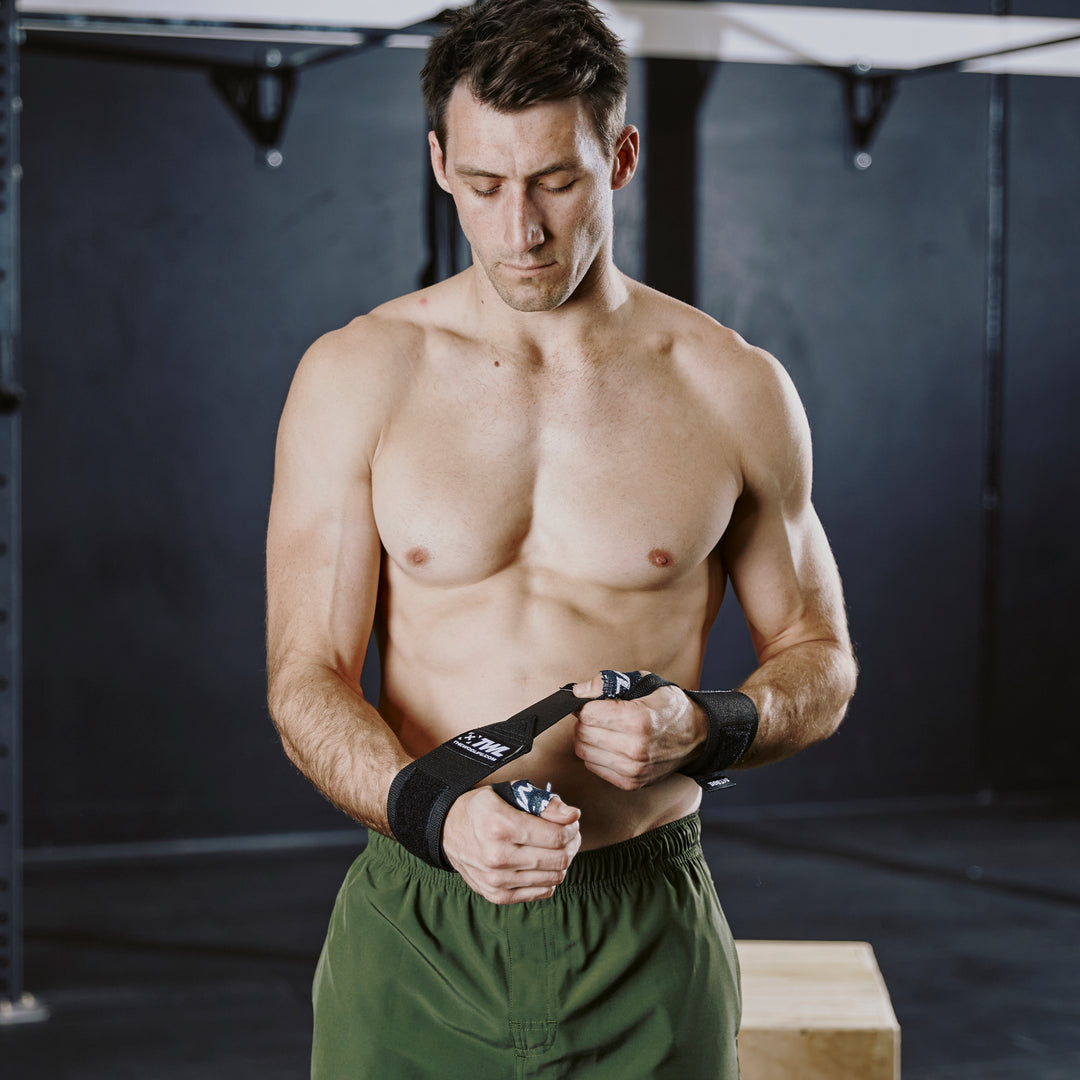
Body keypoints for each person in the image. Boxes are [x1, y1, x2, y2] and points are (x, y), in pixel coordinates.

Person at [265, 0, 857, 1075]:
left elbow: (821, 661)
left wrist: (709, 725)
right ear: (440, 165)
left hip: (643, 919)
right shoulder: (357, 376)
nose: (520, 230)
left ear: (619, 158)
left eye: (556, 181)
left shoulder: (732, 387)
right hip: (419, 911)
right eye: (485, 185)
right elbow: (305, 676)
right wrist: (435, 816)